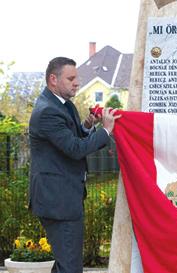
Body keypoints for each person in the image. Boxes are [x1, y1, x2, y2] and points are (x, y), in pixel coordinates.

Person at [29, 57, 120, 273]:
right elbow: (75, 149)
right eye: (70, 78)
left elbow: (72, 137)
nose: (77, 82)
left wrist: (87, 126)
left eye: (76, 77)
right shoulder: (47, 112)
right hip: (58, 202)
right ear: (53, 79)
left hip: (63, 199)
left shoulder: (62, 105)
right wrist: (106, 130)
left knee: (65, 264)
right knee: (70, 266)